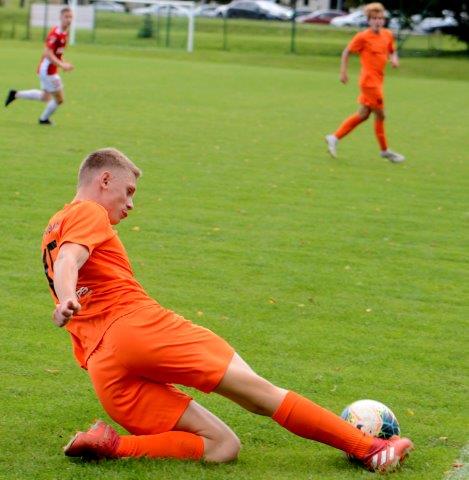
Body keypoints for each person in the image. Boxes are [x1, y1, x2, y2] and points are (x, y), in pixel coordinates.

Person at [41, 148, 413, 473]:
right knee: (259, 393)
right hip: (137, 329)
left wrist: (66, 299)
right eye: (128, 192)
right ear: (105, 179)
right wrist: (67, 297)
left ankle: (111, 446)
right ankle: (370, 449)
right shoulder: (89, 211)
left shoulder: (54, 226)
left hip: (105, 368)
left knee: (222, 446)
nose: (131, 204)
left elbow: (66, 260)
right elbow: (70, 260)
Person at [325, 3, 405, 163]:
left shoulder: (388, 34)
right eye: (374, 18)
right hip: (369, 83)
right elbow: (346, 52)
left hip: (379, 81)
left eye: (380, 18)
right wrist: (343, 72)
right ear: (368, 20)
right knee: (381, 115)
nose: (378, 21)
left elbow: (392, 50)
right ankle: (384, 150)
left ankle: (334, 137)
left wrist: (394, 59)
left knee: (363, 115)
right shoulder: (362, 37)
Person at [5, 7, 74, 125]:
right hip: (48, 71)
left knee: (45, 97)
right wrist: (62, 65)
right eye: (66, 17)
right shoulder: (56, 34)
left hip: (49, 70)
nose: (68, 19)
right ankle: (43, 119)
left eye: (70, 17)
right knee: (59, 99)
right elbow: (47, 53)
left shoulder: (64, 33)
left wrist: (64, 63)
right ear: (60, 17)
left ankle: (15, 94)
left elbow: (57, 54)